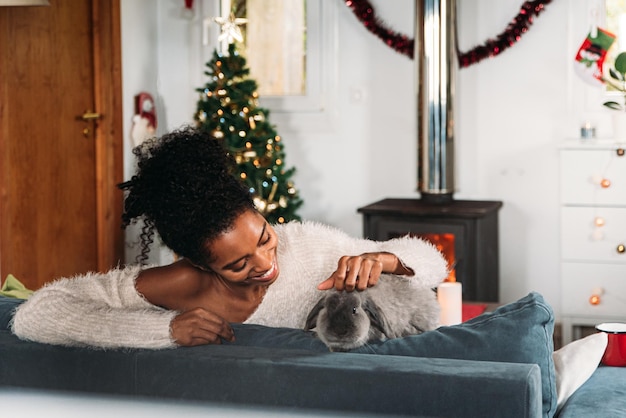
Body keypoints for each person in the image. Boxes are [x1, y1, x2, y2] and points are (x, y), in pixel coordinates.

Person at [11, 127, 448, 349]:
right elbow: (36, 314)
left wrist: (386, 259)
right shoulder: (178, 286)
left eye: (262, 236)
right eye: (236, 264)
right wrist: (164, 329)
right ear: (201, 264)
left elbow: (434, 261)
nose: (263, 263)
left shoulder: (310, 247)